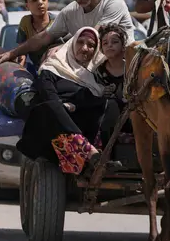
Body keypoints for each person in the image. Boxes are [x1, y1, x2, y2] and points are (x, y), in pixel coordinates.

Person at [18, 27, 118, 175]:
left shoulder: (94, 77)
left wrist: (74, 105)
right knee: (52, 106)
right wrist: (63, 105)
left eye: (91, 45)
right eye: (81, 42)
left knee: (111, 103)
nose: (85, 48)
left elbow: (95, 102)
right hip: (49, 129)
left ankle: (101, 154)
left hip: (79, 124)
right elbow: (48, 94)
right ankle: (90, 152)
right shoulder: (51, 68)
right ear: (72, 44)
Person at [0, 0, 134, 66]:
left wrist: (63, 48)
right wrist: (13, 53)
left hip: (123, 72)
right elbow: (44, 36)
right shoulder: (70, 11)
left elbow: (95, 36)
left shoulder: (112, 1)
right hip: (89, 74)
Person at [15, 0, 61, 74]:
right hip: (35, 70)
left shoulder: (58, 21)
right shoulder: (25, 22)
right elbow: (22, 51)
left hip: (56, 69)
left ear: (47, 1)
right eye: (34, 0)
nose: (40, 3)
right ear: (27, 6)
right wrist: (19, 67)